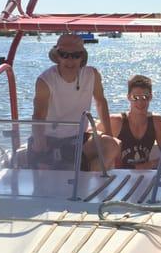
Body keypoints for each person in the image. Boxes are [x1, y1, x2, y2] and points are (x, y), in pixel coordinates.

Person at [31, 33, 120, 170]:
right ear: (57, 57)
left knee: (112, 145)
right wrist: (39, 140)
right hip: (50, 138)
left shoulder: (92, 75)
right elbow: (39, 115)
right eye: (64, 54)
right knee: (44, 173)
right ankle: (72, 169)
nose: (70, 60)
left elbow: (101, 102)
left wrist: (108, 133)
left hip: (79, 139)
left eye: (75, 55)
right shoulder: (45, 80)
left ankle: (83, 177)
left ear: (82, 57)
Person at [101, 75, 161, 170]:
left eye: (145, 97)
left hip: (144, 174)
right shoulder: (116, 122)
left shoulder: (157, 122)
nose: (140, 102)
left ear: (151, 97)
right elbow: (91, 135)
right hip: (118, 175)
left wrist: (149, 165)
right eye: (135, 98)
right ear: (128, 97)